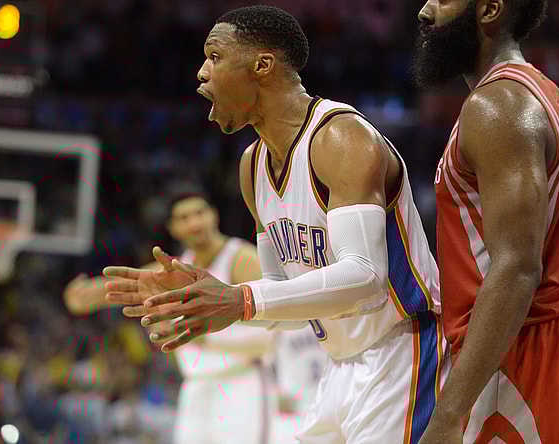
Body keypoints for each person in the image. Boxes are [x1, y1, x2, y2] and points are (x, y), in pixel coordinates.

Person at [104, 6, 448, 443]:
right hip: (337, 367)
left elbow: (365, 277)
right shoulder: (252, 167)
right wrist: (211, 305)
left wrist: (240, 299)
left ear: (262, 65)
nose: (201, 73)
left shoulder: (340, 138)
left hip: (403, 353)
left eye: (214, 57)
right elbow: (284, 305)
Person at [411, 1, 559, 443]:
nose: (425, 11)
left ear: (489, 10)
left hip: (530, 343)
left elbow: (517, 266)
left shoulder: (497, 105)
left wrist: (449, 412)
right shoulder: (538, 91)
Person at [64, 186, 277, 444]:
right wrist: (84, 295)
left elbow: (276, 332)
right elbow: (123, 285)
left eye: (199, 213)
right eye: (184, 218)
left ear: (214, 215)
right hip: (195, 384)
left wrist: (205, 339)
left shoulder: (242, 259)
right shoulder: (173, 268)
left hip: (244, 382)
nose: (194, 222)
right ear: (173, 228)